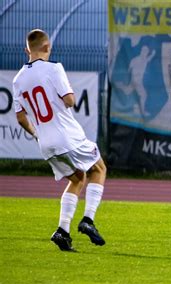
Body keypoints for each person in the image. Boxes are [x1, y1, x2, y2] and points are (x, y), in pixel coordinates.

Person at [13, 29, 107, 251]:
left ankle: (62, 231)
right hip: (67, 136)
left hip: (46, 143)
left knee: (77, 179)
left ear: (27, 50)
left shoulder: (18, 79)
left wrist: (36, 133)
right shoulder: (54, 68)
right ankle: (88, 220)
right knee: (99, 169)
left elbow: (20, 117)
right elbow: (70, 100)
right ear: (47, 47)